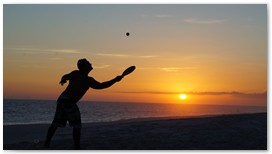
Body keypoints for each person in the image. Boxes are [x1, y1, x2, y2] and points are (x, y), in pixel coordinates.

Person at [44, 58, 123, 149]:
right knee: (77, 125)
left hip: (62, 99)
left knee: (56, 123)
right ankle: (77, 147)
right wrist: (115, 80)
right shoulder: (87, 80)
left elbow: (65, 76)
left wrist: (63, 80)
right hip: (69, 102)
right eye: (89, 64)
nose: (91, 64)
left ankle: (47, 143)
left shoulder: (76, 73)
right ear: (84, 67)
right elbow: (101, 86)